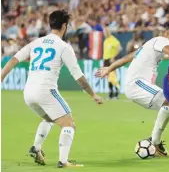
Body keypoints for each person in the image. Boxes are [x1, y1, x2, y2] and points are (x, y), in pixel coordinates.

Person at [1, 10, 103, 168]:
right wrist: (93, 94)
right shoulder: (63, 47)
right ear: (64, 26)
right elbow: (79, 76)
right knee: (69, 124)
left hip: (28, 93)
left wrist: (1, 77)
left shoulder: (36, 42)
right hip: (46, 91)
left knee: (50, 118)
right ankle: (63, 161)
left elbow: (14, 60)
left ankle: (36, 147)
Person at [95, 23, 169, 153]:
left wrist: (109, 68)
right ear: (167, 33)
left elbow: (128, 57)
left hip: (138, 85)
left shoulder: (150, 44)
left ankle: (157, 140)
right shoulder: (160, 40)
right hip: (137, 83)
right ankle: (156, 142)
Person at [103, 27, 122, 99]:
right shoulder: (106, 41)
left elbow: (119, 48)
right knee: (108, 77)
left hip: (111, 61)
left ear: (109, 32)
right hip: (106, 60)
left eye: (106, 32)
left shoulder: (113, 39)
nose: (105, 33)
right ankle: (111, 94)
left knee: (113, 77)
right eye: (104, 32)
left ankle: (116, 93)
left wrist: (113, 57)